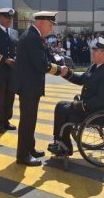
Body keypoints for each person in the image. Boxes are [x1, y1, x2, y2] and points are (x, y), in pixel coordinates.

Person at [10, 11, 65, 166]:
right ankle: (23, 156)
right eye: (50, 25)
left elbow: (44, 58)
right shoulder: (32, 38)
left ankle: (30, 148)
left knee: (30, 120)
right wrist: (60, 70)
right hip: (28, 87)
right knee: (27, 121)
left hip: (30, 85)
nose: (51, 29)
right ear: (41, 22)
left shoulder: (33, 35)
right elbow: (41, 64)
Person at [47, 37, 104, 156]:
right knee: (60, 106)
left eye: (95, 50)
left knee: (63, 110)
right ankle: (60, 141)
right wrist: (66, 73)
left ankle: (65, 145)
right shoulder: (94, 66)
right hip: (88, 107)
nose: (92, 52)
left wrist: (80, 105)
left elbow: (101, 99)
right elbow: (81, 80)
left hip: (95, 111)